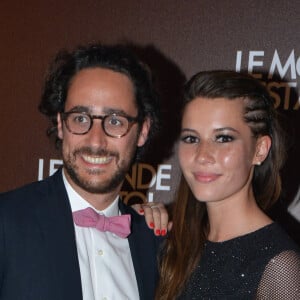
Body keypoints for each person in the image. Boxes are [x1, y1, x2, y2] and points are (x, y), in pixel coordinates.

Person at [0, 43, 168, 300]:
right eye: (80, 118)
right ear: (60, 124)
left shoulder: (155, 243)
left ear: (142, 131)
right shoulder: (7, 223)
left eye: (114, 121)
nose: (95, 141)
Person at [156, 70, 300, 299]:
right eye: (191, 138)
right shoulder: (172, 245)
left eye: (223, 138)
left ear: (259, 150)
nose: (202, 155)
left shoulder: (278, 265)